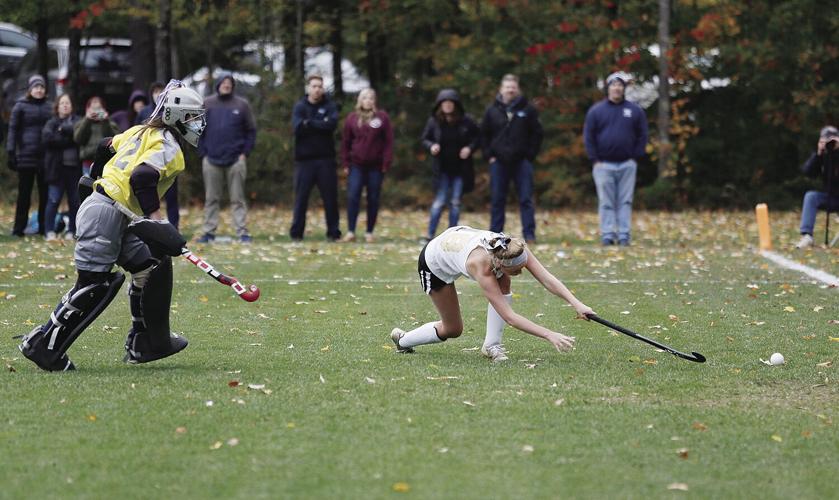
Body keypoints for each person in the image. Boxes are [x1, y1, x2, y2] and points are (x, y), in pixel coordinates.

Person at [18, 81, 206, 371]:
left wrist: (94, 180)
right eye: (192, 116)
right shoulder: (169, 146)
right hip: (108, 213)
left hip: (114, 211)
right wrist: (157, 221)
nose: (198, 123)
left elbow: (104, 145)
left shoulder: (139, 131)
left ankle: (144, 343)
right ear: (175, 116)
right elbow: (142, 178)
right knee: (95, 284)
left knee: (149, 265)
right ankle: (43, 344)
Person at [390, 225, 593, 362]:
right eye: (516, 270)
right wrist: (550, 335)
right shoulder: (480, 266)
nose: (522, 272)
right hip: (434, 263)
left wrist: (577, 304)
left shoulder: (514, 248)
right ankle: (403, 340)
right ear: (500, 264)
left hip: (459, 239)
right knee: (453, 329)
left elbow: (547, 278)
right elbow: (510, 317)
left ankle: (491, 346)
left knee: (504, 282)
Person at [583, 71, 649, 246]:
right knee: (606, 202)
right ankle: (607, 234)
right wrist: (595, 159)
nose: (617, 88)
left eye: (620, 85)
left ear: (624, 88)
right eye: (613, 84)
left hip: (627, 164)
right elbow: (588, 136)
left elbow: (643, 135)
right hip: (603, 165)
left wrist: (635, 156)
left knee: (625, 201)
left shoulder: (635, 110)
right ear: (608, 88)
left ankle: (624, 235)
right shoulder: (596, 111)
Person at [481, 74, 543, 243]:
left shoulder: (528, 109)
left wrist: (530, 155)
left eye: (513, 87)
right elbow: (483, 134)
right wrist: (489, 155)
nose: (510, 90)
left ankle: (529, 234)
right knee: (497, 199)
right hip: (498, 162)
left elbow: (537, 134)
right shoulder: (491, 110)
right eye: (507, 87)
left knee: (526, 199)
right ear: (501, 89)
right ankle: (494, 236)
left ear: (517, 89)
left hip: (522, 162)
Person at [196, 73, 257, 243]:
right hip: (211, 159)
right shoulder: (207, 103)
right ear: (218, 85)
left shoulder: (242, 105)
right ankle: (208, 232)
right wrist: (203, 153)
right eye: (224, 82)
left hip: (236, 160)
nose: (227, 85)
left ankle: (242, 232)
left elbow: (251, 131)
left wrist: (245, 153)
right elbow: (197, 130)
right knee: (211, 199)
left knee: (238, 199)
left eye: (229, 83)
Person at [421, 89, 480, 242]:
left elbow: (478, 138)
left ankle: (452, 236)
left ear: (455, 104)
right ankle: (429, 235)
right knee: (439, 203)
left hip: (461, 169)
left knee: (455, 203)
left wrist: (469, 148)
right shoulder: (434, 121)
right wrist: (432, 146)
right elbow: (424, 139)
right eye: (444, 103)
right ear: (440, 105)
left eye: (450, 102)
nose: (447, 105)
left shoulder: (467, 120)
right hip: (441, 170)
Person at [290, 74, 341, 241]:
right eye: (314, 86)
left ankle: (333, 233)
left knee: (330, 199)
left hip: (326, 160)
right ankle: (297, 233)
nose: (317, 89)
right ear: (308, 88)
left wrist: (309, 123)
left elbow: (331, 125)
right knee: (301, 199)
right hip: (304, 161)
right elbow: (297, 127)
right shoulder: (299, 106)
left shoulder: (330, 105)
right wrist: (319, 122)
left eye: (320, 86)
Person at [340, 88, 392, 243]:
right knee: (353, 196)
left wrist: (386, 162)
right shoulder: (352, 118)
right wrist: (345, 162)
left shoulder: (382, 118)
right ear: (360, 100)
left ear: (374, 101)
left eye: (371, 98)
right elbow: (345, 142)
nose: (368, 100)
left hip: (376, 166)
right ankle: (351, 231)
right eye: (365, 98)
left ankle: (369, 232)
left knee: (373, 198)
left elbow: (388, 142)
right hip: (356, 165)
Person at [6, 74, 51, 237]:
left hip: (45, 158)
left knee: (45, 195)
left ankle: (43, 227)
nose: (39, 90)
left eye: (42, 87)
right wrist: (11, 152)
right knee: (24, 194)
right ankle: (18, 229)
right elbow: (12, 129)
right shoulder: (20, 106)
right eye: (36, 87)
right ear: (30, 89)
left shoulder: (49, 107)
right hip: (26, 156)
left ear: (45, 90)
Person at [136, 81, 180, 228]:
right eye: (155, 92)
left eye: (160, 91)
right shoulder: (145, 112)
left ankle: (173, 227)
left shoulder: (172, 110)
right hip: (148, 159)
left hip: (167, 158)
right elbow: (138, 132)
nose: (158, 95)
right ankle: (148, 226)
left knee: (171, 196)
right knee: (147, 195)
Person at [41, 93, 81, 240]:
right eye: (62, 103)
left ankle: (72, 230)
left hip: (74, 169)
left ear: (72, 106)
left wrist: (63, 131)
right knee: (53, 200)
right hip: (56, 169)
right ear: (57, 107)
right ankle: (49, 230)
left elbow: (79, 136)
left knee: (74, 202)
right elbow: (47, 139)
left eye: (68, 103)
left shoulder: (78, 121)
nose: (65, 105)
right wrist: (67, 138)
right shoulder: (51, 122)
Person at [795, 125, 839, 249]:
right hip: (831, 198)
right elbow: (808, 172)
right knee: (811, 196)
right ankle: (807, 236)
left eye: (832, 140)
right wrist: (818, 154)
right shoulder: (823, 156)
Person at [74, 96, 120, 176]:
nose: (96, 111)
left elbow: (115, 140)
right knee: (88, 187)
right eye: (93, 109)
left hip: (106, 163)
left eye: (98, 108)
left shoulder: (110, 123)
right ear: (87, 110)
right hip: (87, 163)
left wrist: (105, 121)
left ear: (103, 110)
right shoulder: (81, 123)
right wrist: (87, 120)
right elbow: (78, 139)